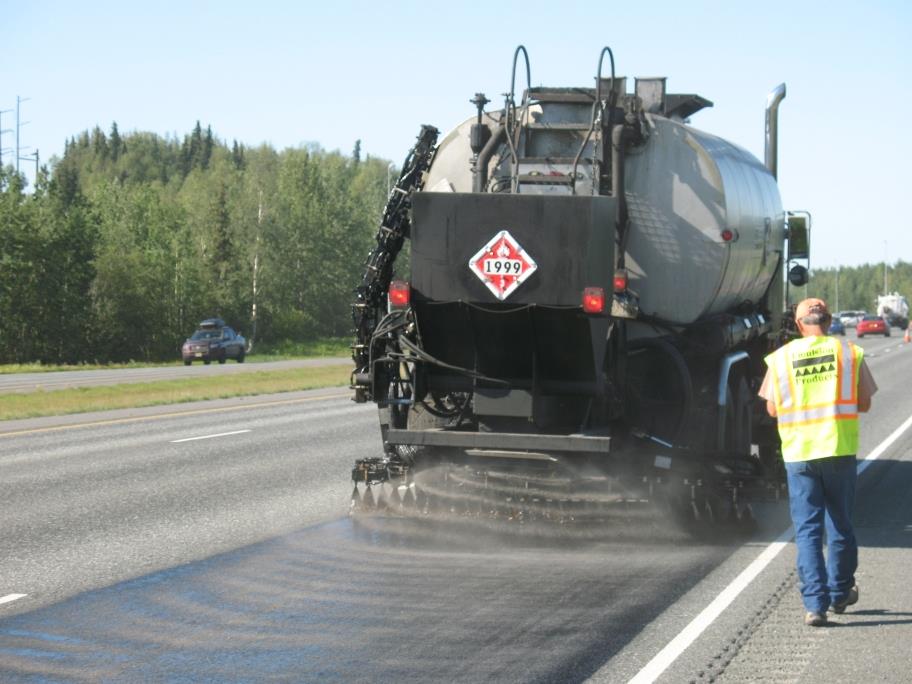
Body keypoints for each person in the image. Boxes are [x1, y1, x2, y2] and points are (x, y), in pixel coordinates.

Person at [759, 297, 877, 627]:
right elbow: (864, 403)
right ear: (828, 321)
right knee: (839, 524)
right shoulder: (849, 354)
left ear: (798, 325)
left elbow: (771, 409)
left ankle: (815, 604)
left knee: (808, 530)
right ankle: (840, 593)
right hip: (838, 449)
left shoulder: (781, 359)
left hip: (799, 454)